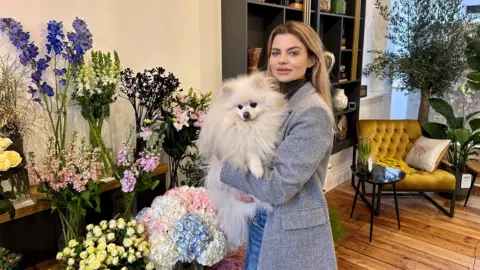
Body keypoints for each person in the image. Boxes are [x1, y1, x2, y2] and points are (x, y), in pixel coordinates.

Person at [218, 21, 338, 270]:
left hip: (287, 226)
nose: (282, 60)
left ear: (312, 60)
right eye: (276, 52)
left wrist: (228, 168)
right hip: (263, 220)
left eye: (293, 52)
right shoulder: (275, 102)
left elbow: (278, 188)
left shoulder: (312, 112)